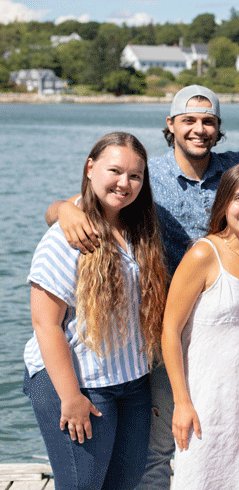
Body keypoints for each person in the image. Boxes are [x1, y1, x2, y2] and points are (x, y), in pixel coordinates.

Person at [44, 85, 239, 490]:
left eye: (208, 121)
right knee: (160, 446)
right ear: (171, 125)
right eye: (189, 120)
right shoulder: (149, 177)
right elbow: (93, 198)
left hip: (230, 325)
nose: (199, 129)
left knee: (234, 429)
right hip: (168, 327)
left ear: (218, 128)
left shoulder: (238, 166)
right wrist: (62, 210)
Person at [24, 132, 167, 489]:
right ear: (91, 168)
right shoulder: (68, 235)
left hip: (131, 382)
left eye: (135, 176)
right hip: (79, 383)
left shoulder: (140, 230)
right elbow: (46, 325)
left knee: (124, 484)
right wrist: (70, 397)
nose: (125, 183)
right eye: (115, 171)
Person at [161, 163, 239, 489]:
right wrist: (182, 402)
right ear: (224, 202)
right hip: (206, 405)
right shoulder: (203, 253)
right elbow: (170, 330)